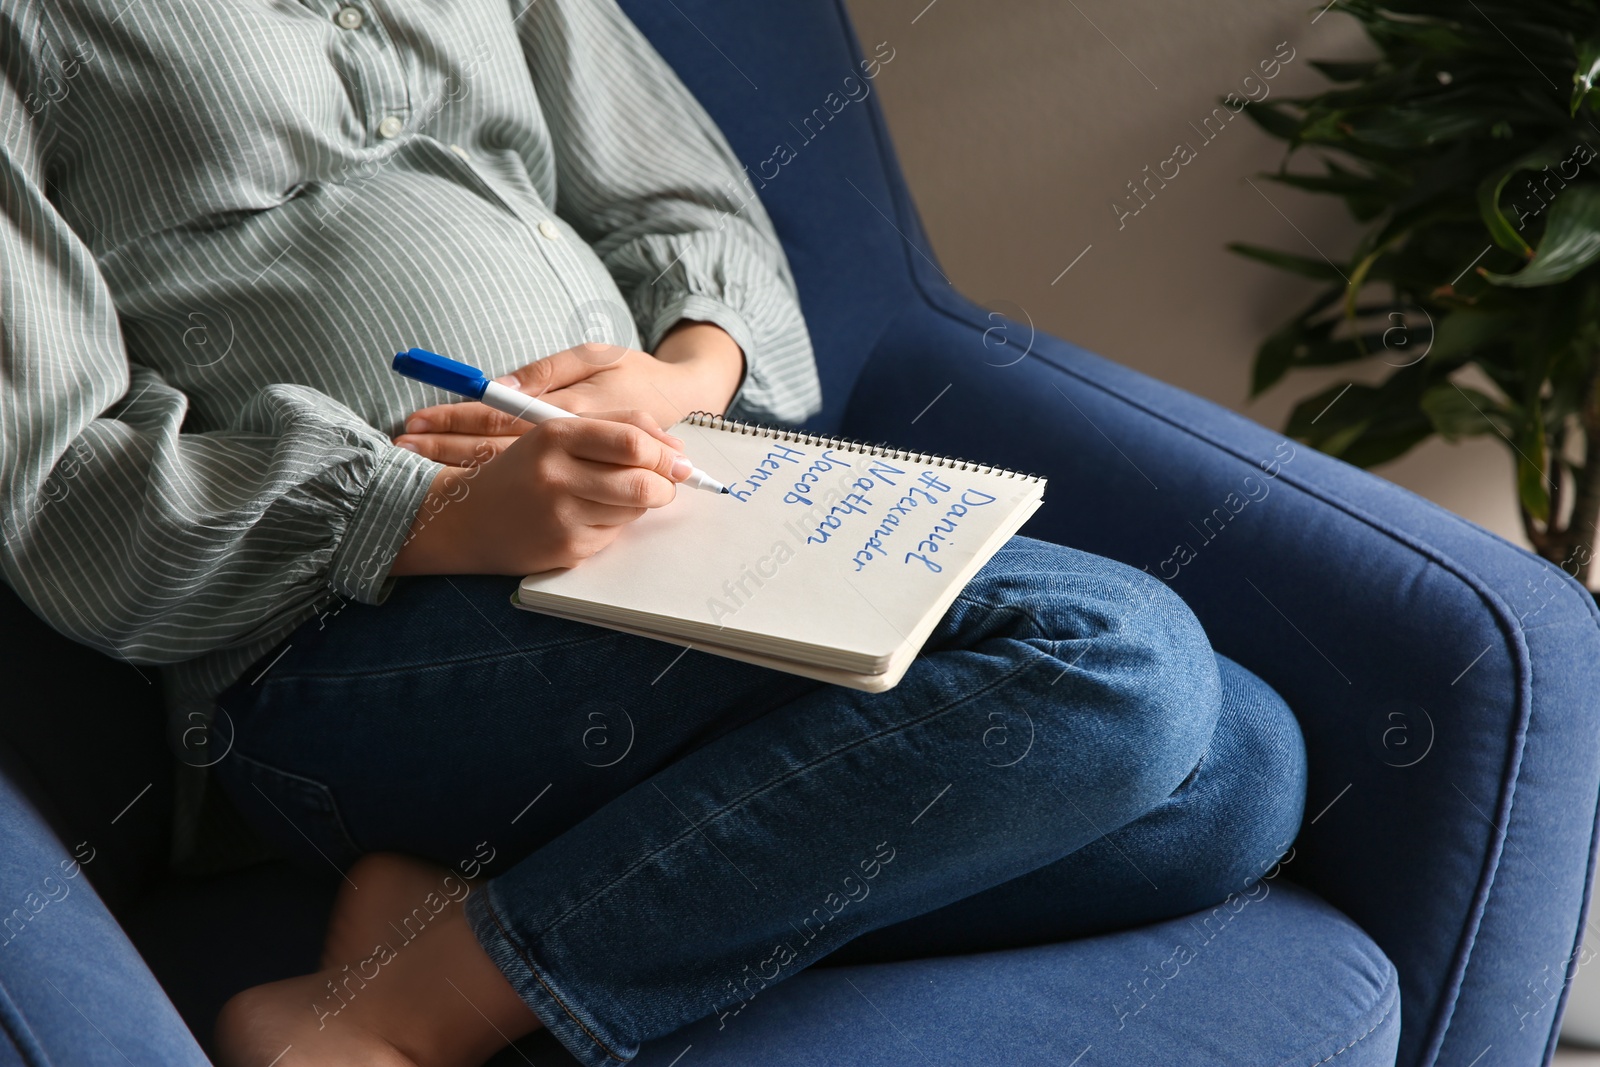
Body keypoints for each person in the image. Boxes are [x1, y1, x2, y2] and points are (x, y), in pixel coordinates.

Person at [0, 1, 1308, 1064]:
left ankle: (478, 918)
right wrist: (432, 510)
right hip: (346, 638)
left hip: (682, 515)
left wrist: (685, 373)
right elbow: (60, 493)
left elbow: (686, 209)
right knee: (1114, 664)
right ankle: (410, 1011)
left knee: (1242, 775)